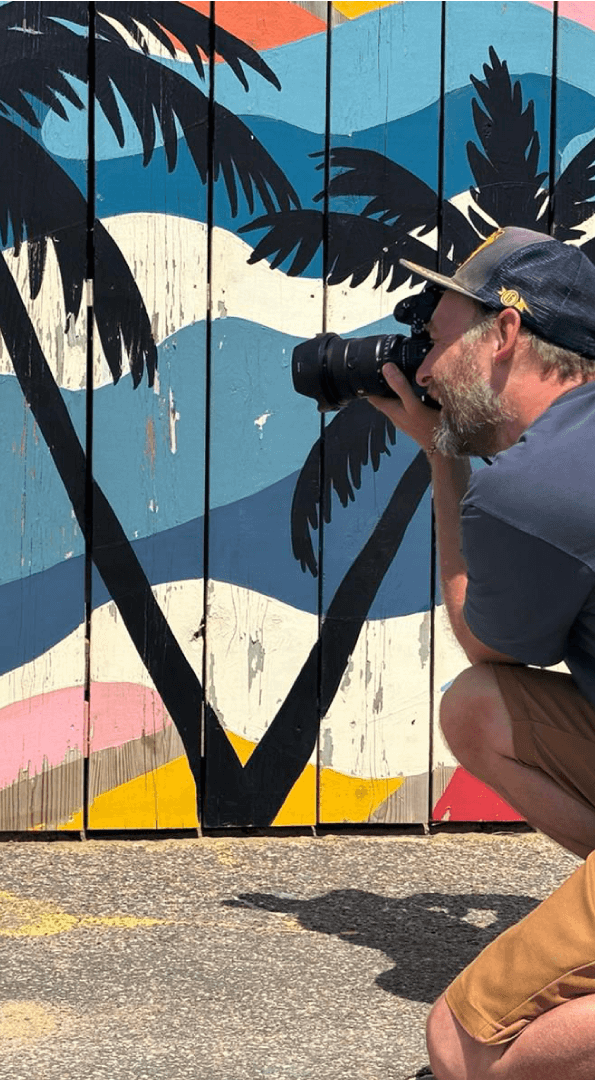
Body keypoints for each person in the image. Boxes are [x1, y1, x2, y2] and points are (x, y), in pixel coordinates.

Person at [369, 227, 595, 1080]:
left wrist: (441, 460)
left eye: (436, 341)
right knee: (478, 709)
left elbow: (486, 639)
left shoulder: (532, 487)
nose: (422, 371)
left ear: (504, 334)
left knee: (467, 1048)